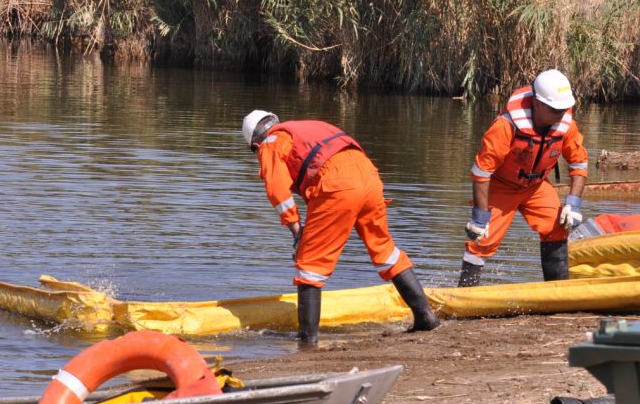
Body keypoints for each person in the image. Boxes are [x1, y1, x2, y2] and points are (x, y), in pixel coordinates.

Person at [241, 110, 441, 344]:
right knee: (385, 250)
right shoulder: (308, 126)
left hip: (337, 184)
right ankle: (425, 316)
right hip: (369, 177)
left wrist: (297, 231)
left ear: (255, 143)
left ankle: (307, 338)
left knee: (309, 263)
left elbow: (277, 191)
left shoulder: (270, 143)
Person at [459, 69, 588, 287]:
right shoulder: (506, 126)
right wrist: (479, 217)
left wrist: (573, 203)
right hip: (501, 186)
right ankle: (465, 293)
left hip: (535, 186)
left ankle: (558, 292)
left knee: (558, 225)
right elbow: (482, 172)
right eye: (556, 109)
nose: (562, 114)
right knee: (482, 238)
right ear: (537, 104)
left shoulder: (566, 125)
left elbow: (579, 163)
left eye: (565, 108)